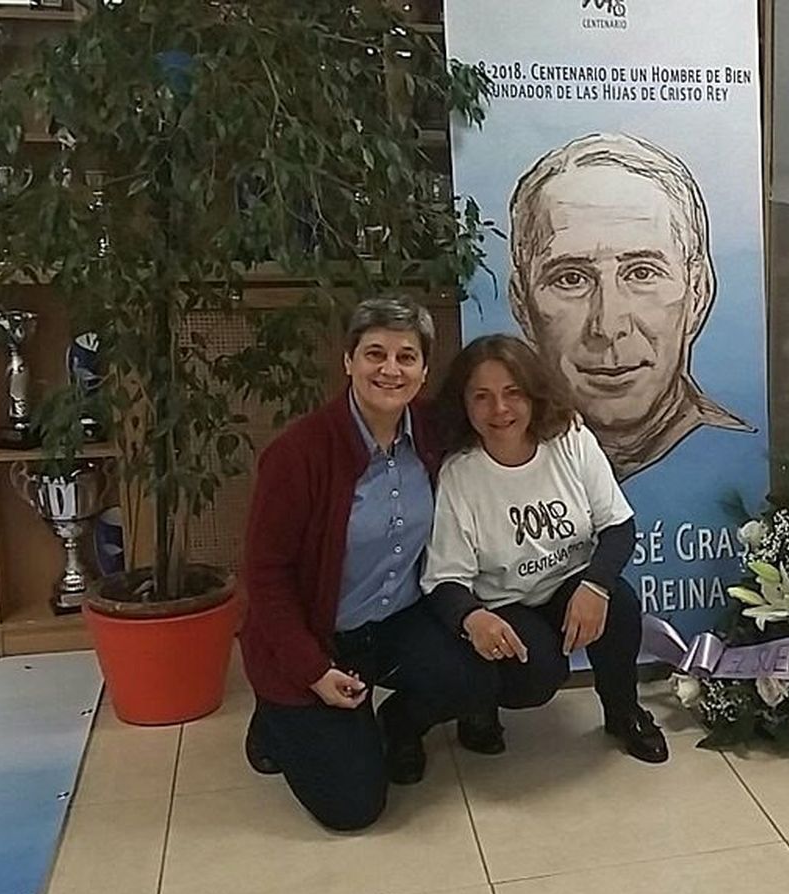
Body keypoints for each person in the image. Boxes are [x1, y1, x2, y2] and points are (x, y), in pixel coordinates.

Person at [239, 298, 494, 832]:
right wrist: (312, 670)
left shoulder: (433, 430)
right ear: (348, 361)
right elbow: (265, 578)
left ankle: (397, 723)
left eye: (406, 356)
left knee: (478, 676)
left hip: (399, 622)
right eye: (375, 353)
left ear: (424, 370)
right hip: (319, 638)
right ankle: (274, 718)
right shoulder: (298, 454)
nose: (390, 369)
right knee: (354, 809)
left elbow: (507, 422)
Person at [420, 334, 669, 764]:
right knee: (535, 677)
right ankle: (478, 708)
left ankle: (624, 711)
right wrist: (473, 618)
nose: (500, 409)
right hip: (504, 601)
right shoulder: (460, 474)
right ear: (464, 404)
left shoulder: (570, 437)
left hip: (568, 582)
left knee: (620, 605)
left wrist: (595, 586)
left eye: (513, 393)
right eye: (482, 396)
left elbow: (618, 525)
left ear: (534, 393)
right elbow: (444, 580)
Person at [507, 131, 751, 481]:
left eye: (641, 273)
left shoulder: (745, 461)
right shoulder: (492, 466)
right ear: (521, 304)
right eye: (571, 278)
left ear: (698, 292)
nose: (608, 326)